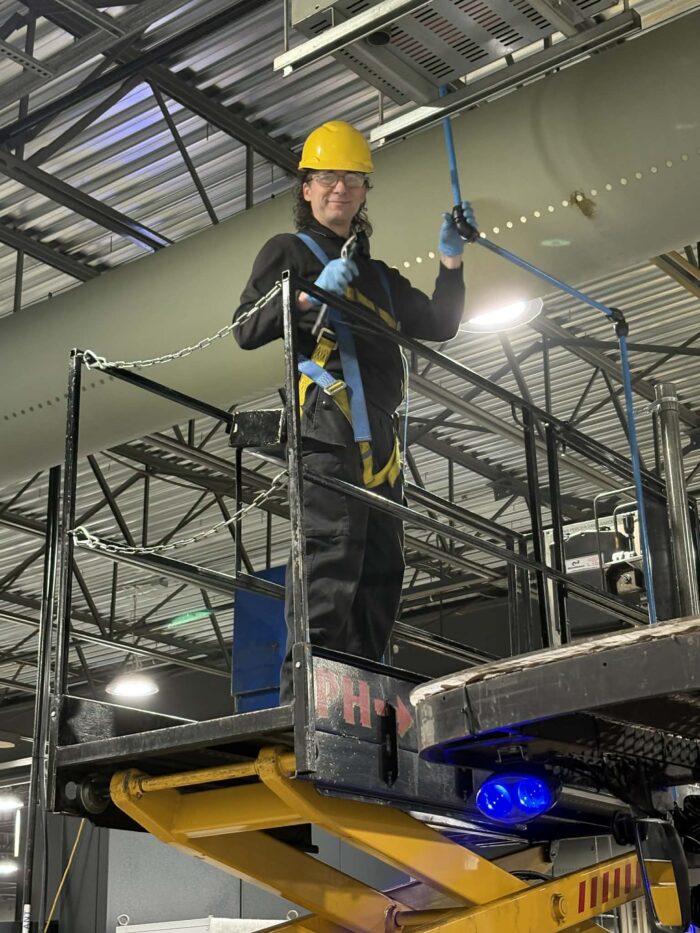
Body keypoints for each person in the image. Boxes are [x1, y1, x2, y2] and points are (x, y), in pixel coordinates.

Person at [233, 120, 472, 703]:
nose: (340, 187)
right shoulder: (288, 251)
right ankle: (306, 710)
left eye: (352, 178)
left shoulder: (381, 279)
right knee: (330, 566)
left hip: (381, 444)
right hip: (327, 428)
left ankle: (362, 706)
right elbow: (245, 328)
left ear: (364, 191)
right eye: (327, 177)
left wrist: (451, 261)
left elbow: (440, 323)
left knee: (380, 574)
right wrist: (305, 293)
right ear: (307, 187)